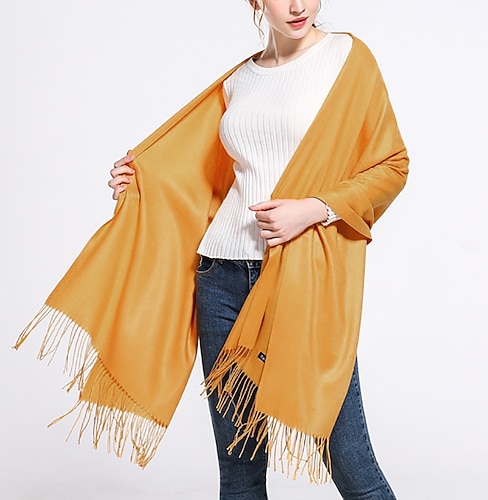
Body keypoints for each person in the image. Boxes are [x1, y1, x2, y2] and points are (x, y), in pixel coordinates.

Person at [16, 1, 407, 499]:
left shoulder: (347, 58)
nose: (297, 5)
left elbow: (391, 166)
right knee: (239, 471)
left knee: (351, 464)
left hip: (299, 278)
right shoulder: (240, 80)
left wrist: (313, 208)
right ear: (255, 2)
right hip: (219, 275)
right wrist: (141, 182)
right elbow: (202, 176)